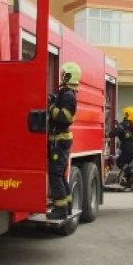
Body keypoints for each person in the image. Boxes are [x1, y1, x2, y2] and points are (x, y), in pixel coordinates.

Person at [47, 62, 80, 220]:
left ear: (68, 76)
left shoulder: (68, 95)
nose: (61, 75)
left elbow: (65, 117)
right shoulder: (67, 94)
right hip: (60, 140)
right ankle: (66, 207)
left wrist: (51, 107)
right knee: (59, 174)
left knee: (55, 174)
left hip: (60, 140)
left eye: (63, 73)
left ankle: (60, 210)